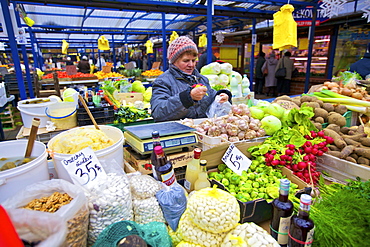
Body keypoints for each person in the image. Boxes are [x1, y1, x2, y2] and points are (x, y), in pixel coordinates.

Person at [150, 36, 231, 122]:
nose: (191, 65)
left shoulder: (202, 79)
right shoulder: (163, 81)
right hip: (178, 132)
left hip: (201, 131)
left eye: (193, 60)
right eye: (186, 61)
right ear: (174, 61)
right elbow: (158, 112)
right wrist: (187, 97)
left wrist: (222, 96)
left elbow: (211, 96)